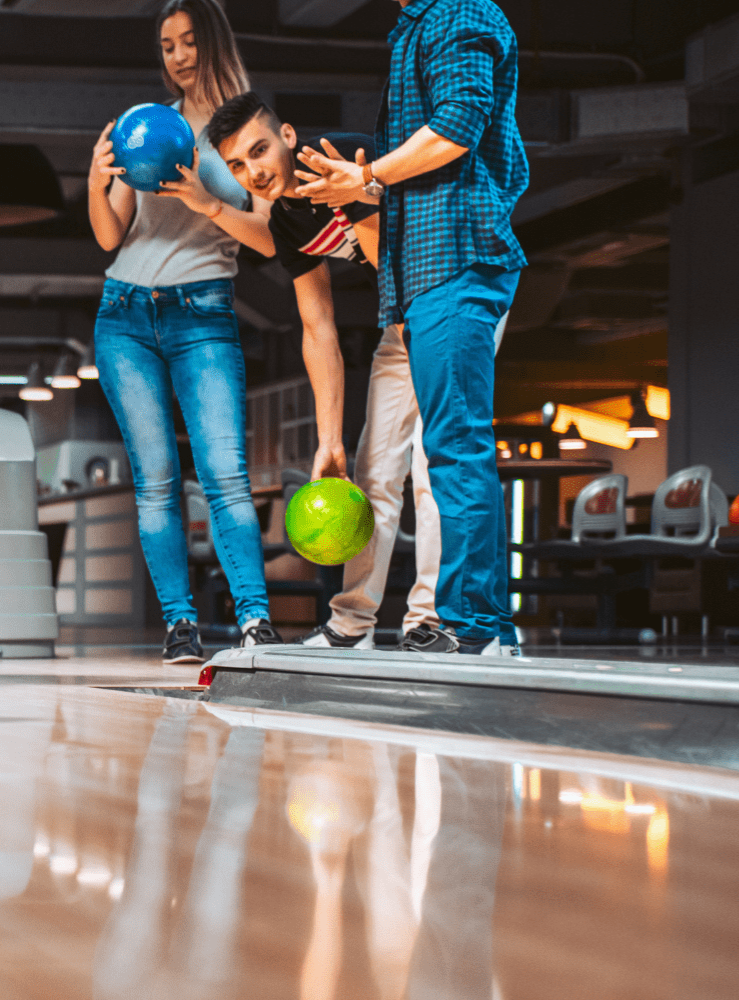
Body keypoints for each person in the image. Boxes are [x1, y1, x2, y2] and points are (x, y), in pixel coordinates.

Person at [207, 93, 517, 654]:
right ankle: (353, 624)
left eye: (259, 150)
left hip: (458, 298)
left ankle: (431, 618)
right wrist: (329, 440)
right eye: (237, 165)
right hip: (403, 324)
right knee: (373, 470)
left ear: (288, 136)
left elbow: (393, 265)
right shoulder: (287, 216)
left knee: (432, 468)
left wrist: (355, 198)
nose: (254, 171)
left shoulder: (351, 157)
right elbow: (318, 325)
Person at [293, 0, 528, 655]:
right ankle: (368, 622)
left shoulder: (459, 12)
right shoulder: (414, 27)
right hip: (417, 283)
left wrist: (367, 173)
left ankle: (479, 626)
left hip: (459, 261)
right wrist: (367, 189)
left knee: (454, 450)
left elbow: (457, 128)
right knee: (399, 462)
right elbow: (428, 167)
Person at [89, 0, 284, 664]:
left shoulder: (248, 131)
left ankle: (256, 619)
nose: (176, 55)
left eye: (188, 41)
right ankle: (180, 625)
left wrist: (205, 198)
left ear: (214, 41)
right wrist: (97, 177)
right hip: (125, 314)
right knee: (156, 480)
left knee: (225, 473)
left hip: (204, 312)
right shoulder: (149, 126)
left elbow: (264, 237)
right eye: (166, 44)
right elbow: (110, 235)